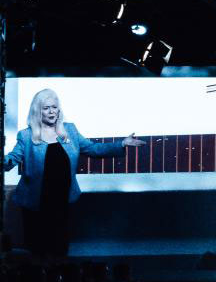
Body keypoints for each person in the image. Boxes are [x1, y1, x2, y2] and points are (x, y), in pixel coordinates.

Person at [4, 88, 144, 258]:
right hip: (36, 202)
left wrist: (121, 143)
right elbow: (13, 158)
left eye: (54, 107)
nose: (51, 111)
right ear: (37, 110)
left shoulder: (69, 130)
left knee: (60, 249)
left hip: (62, 200)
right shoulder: (26, 136)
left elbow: (93, 149)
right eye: (46, 108)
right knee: (38, 250)